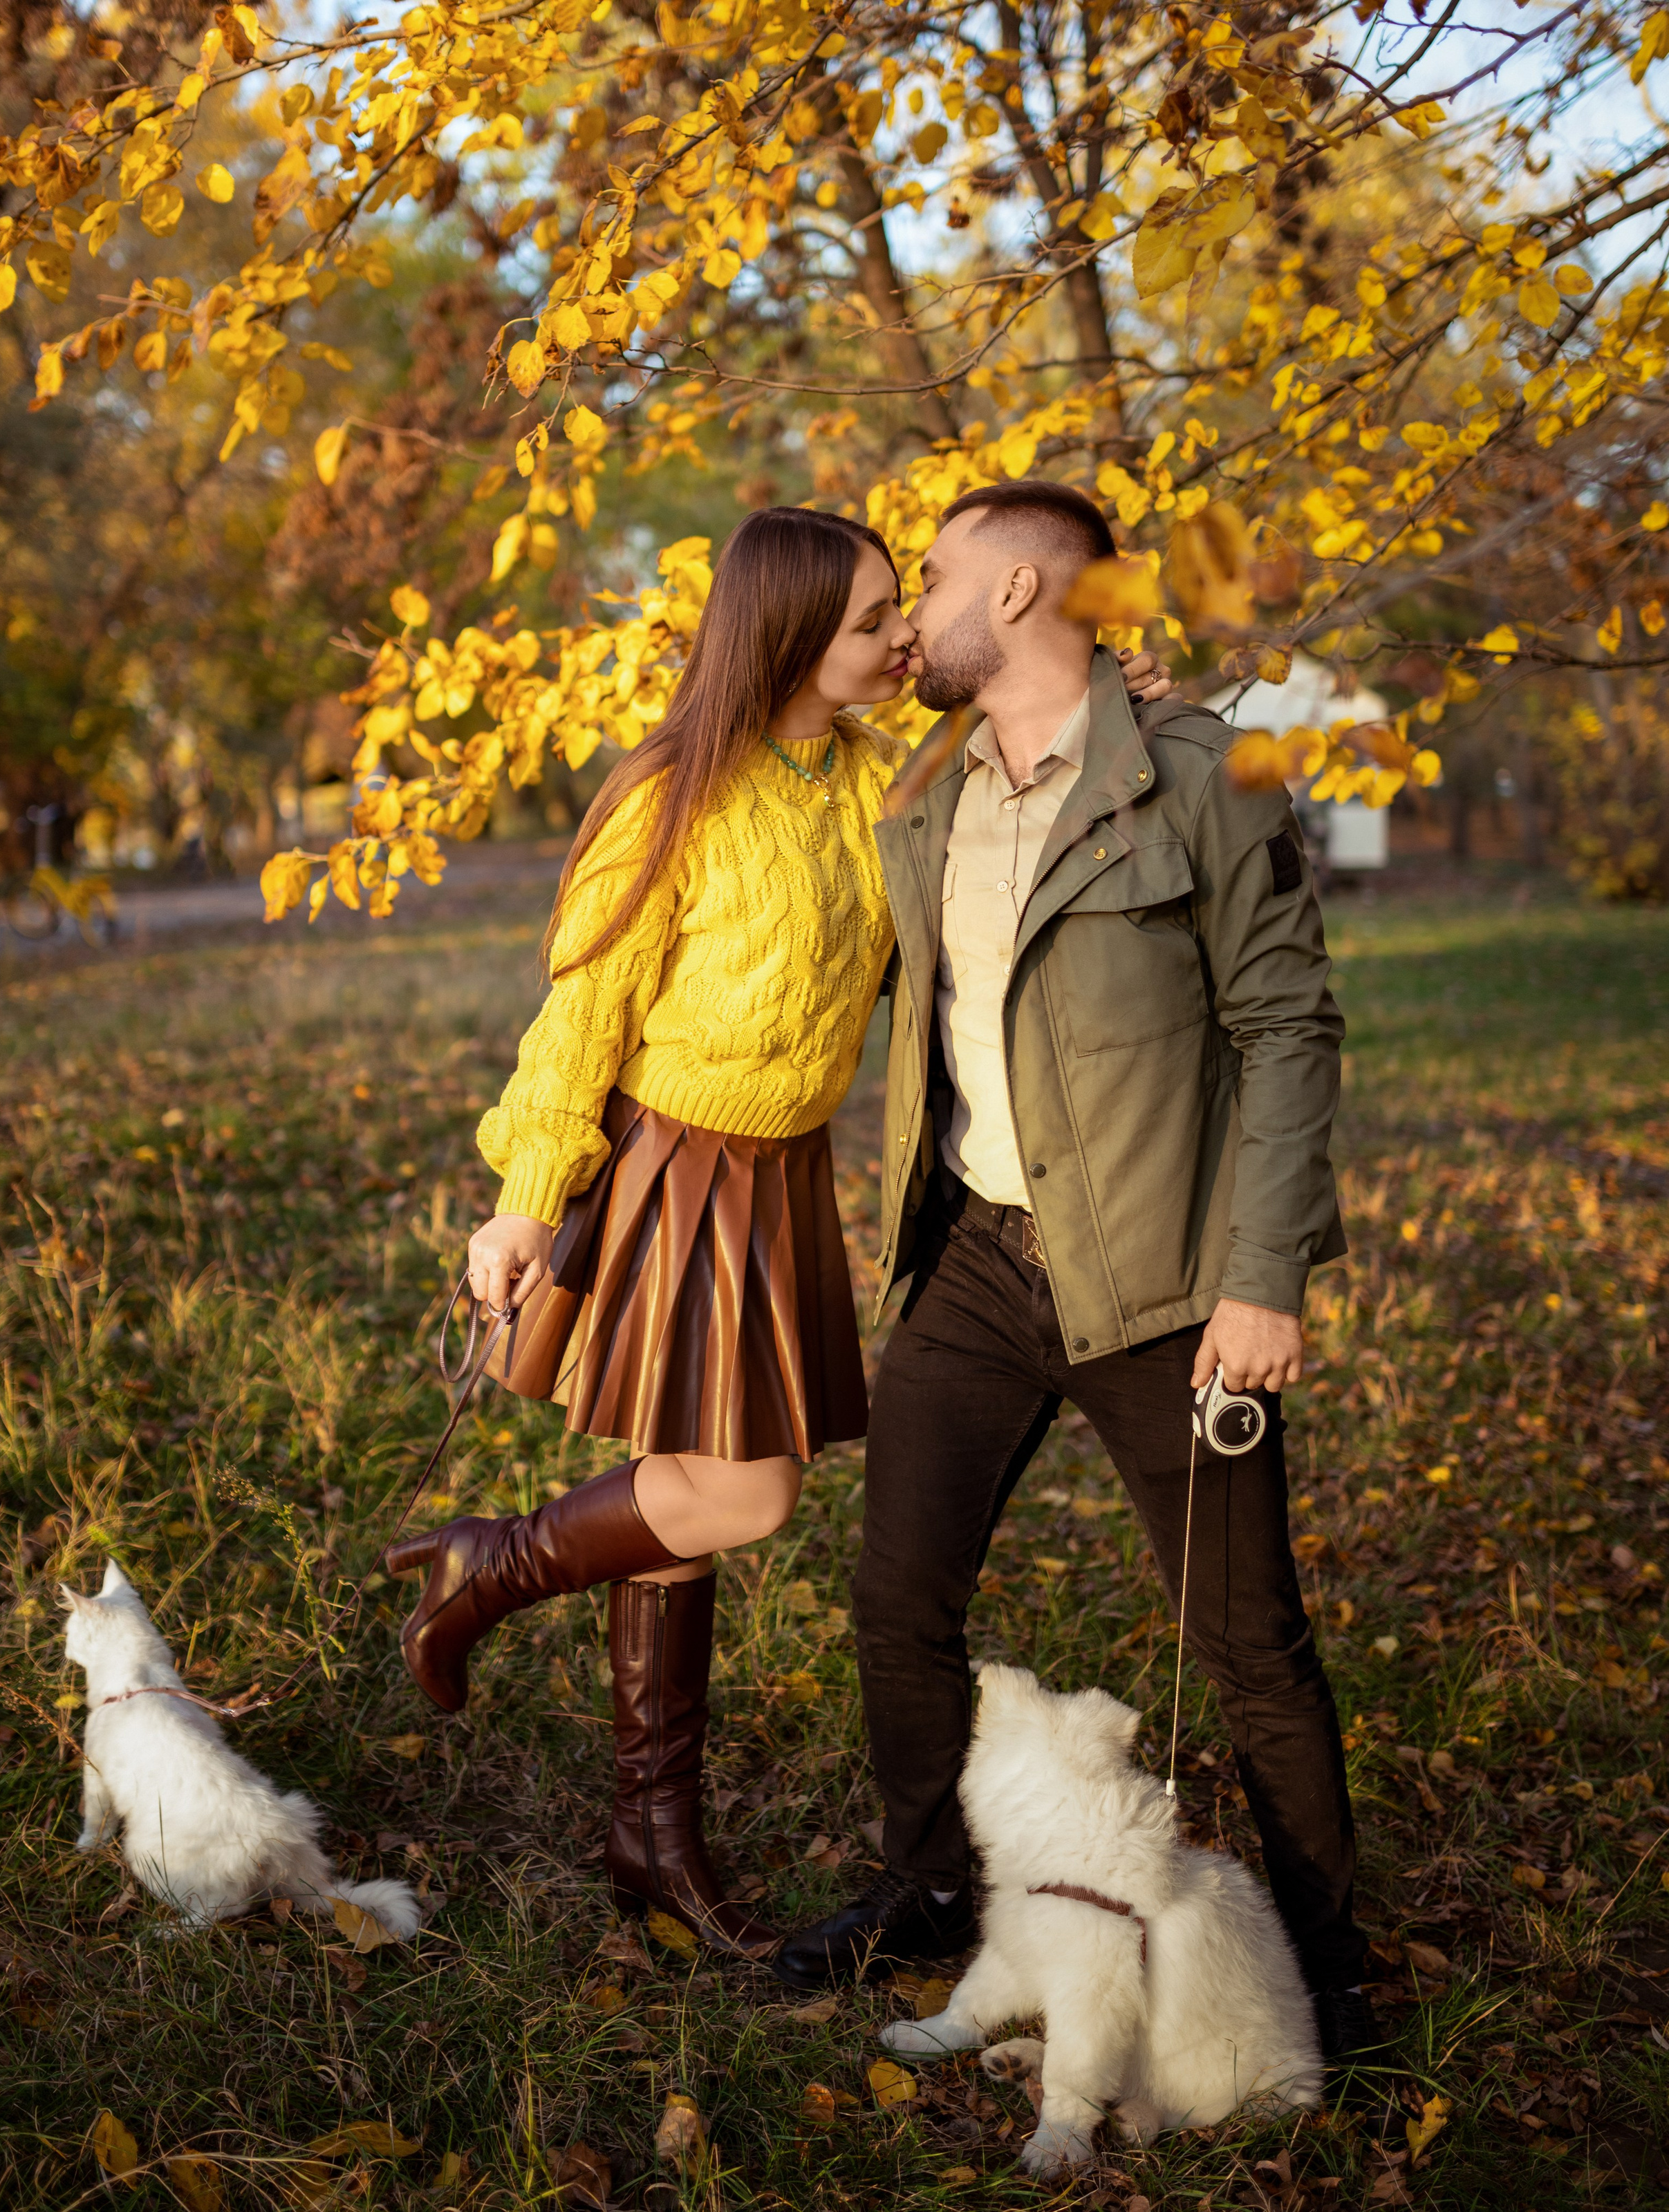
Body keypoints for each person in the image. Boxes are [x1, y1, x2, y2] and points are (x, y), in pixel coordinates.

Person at [383, 504, 1172, 1960]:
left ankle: (651, 1832)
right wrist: (523, 1195)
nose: (895, 639)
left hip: (785, 1176)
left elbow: (1028, 769)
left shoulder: (878, 785)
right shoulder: (674, 792)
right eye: (872, 619)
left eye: (894, 611)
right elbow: (583, 1013)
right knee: (740, 1494)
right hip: (675, 1165)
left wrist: (1132, 707)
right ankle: (486, 1565)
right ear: (793, 632)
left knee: (683, 1490)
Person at [774, 480, 1375, 2069]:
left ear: (1027, 590)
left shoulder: (1198, 775)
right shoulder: (919, 784)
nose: (910, 616)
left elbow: (1287, 1028)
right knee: (897, 1596)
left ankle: (1331, 1972)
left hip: (1165, 1280)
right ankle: (923, 1890)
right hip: (976, 1257)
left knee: (1247, 1646)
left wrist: (1264, 1280)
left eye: (937, 578)